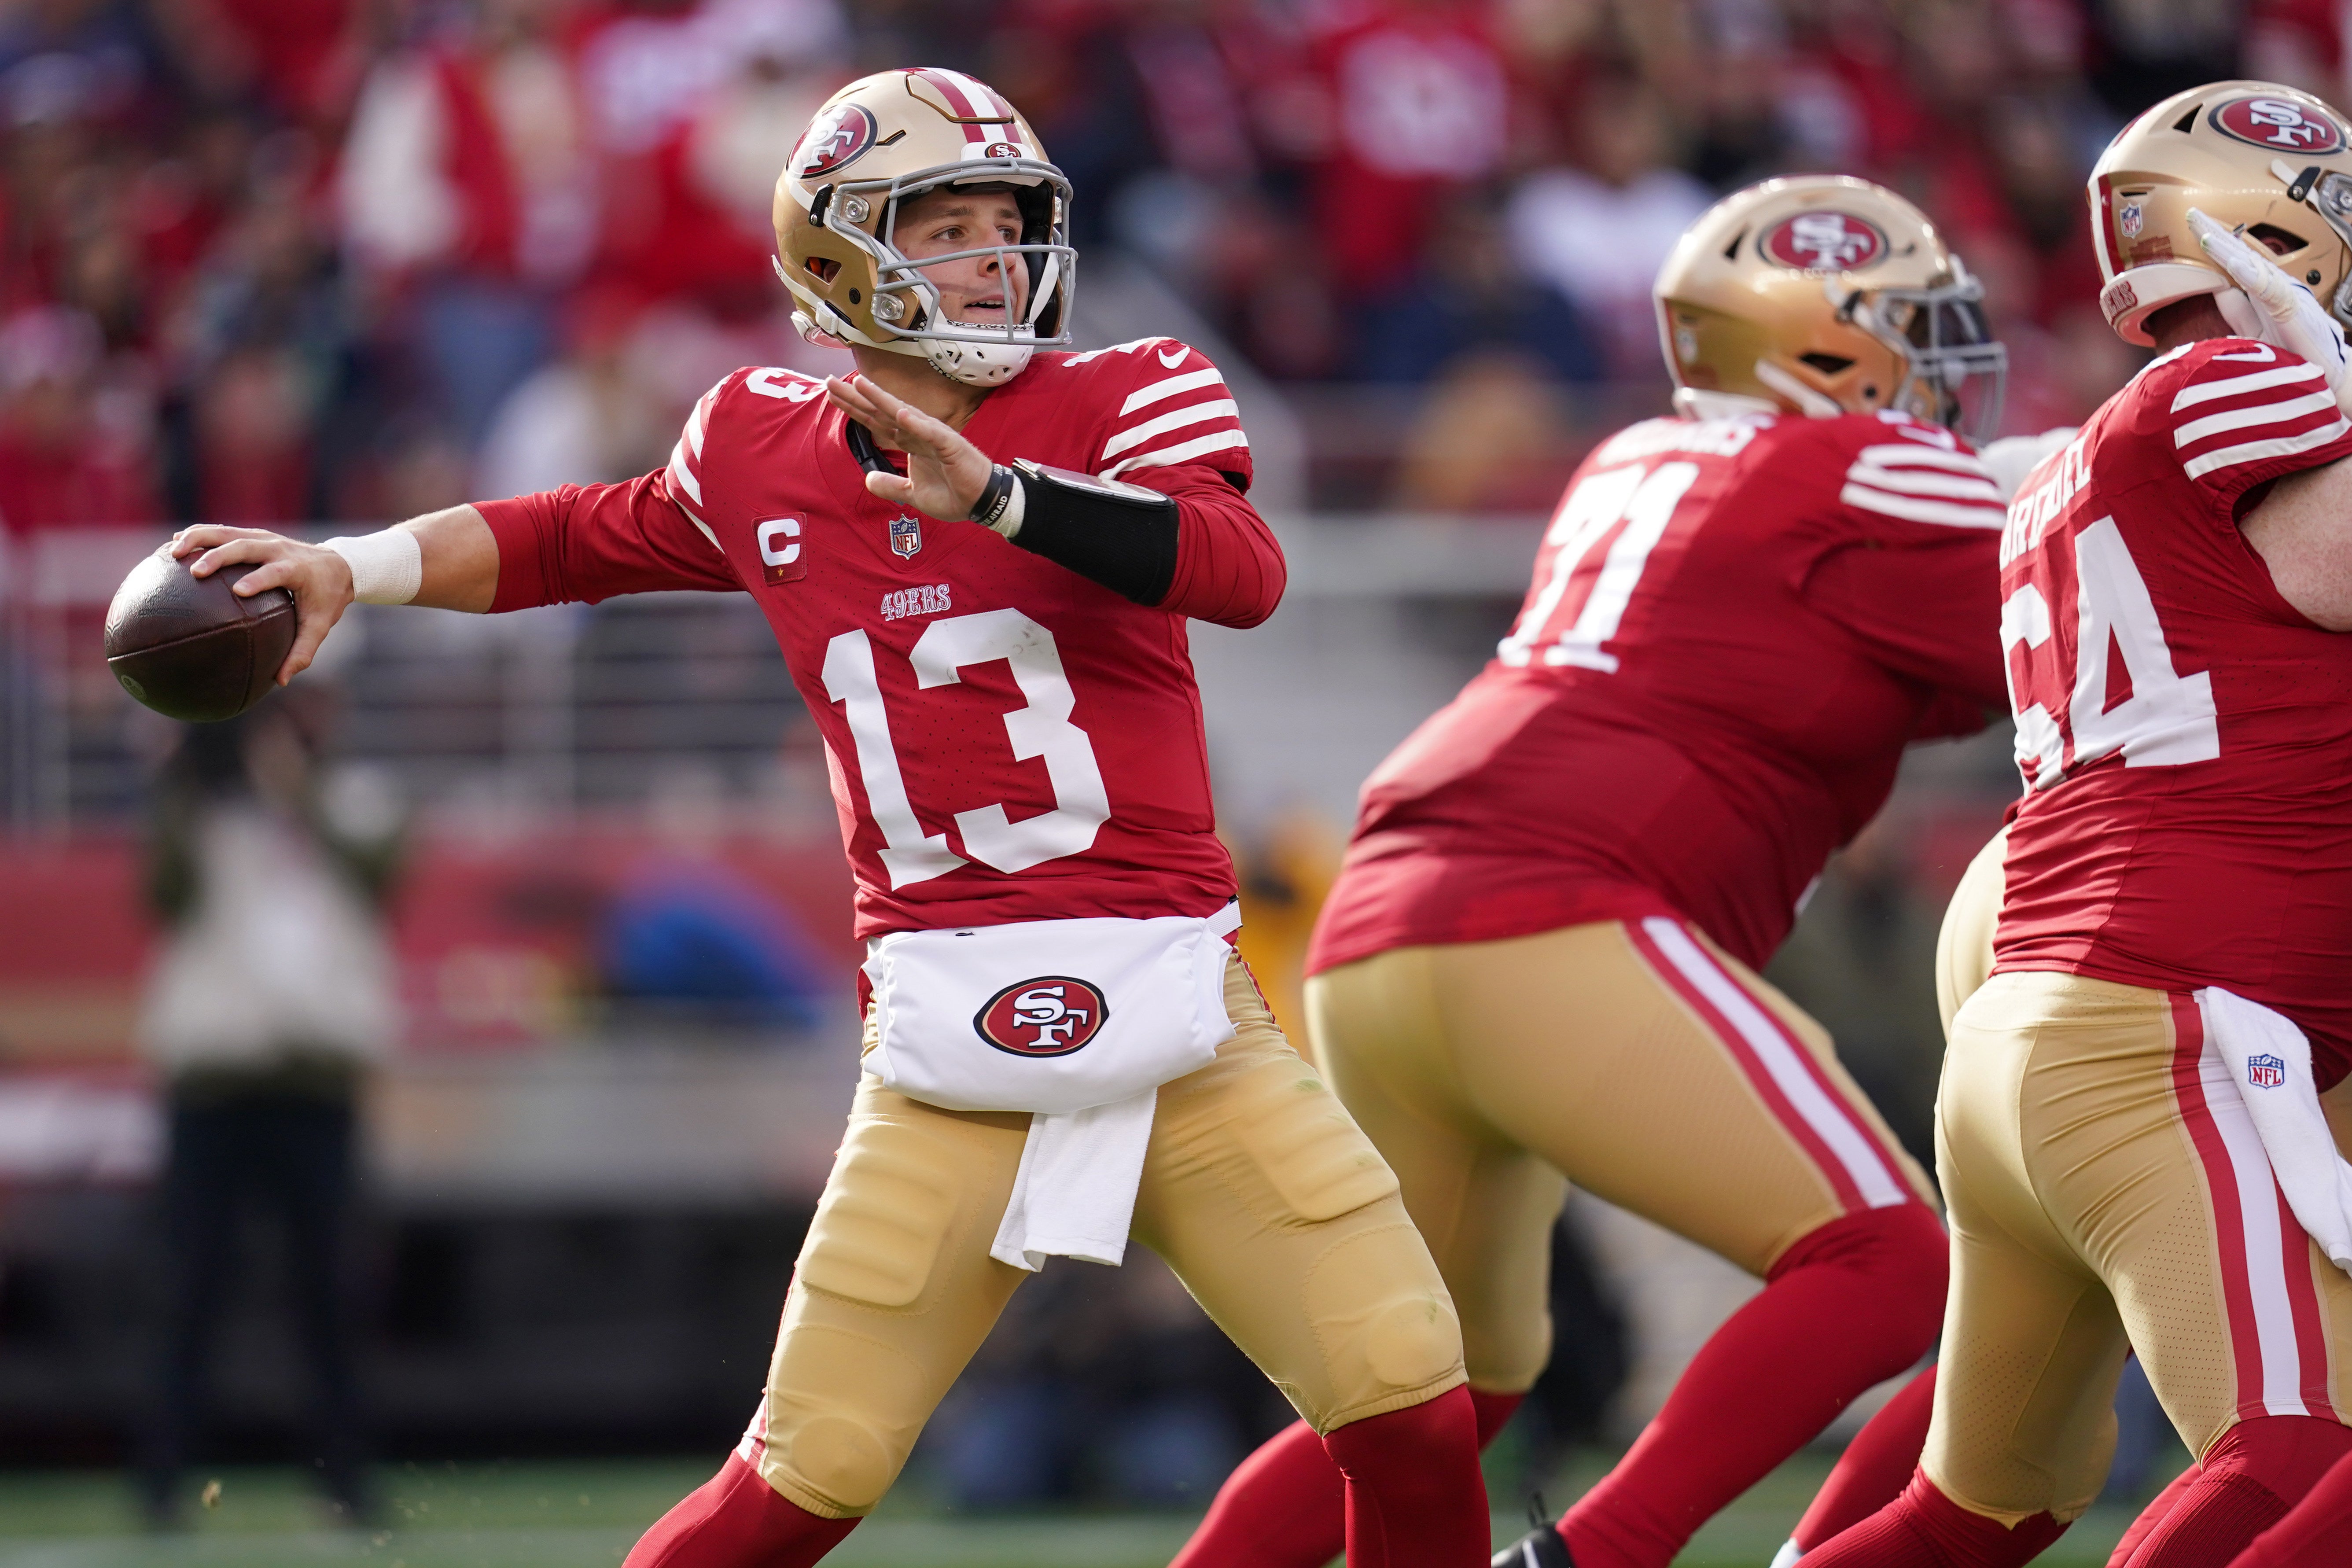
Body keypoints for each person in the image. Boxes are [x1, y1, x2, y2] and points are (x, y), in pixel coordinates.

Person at [162, 67, 1491, 1568]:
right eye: (950, 228)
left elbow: (1238, 570)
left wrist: (1001, 501)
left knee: (1410, 1403)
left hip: (1185, 1017)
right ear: (843, 256)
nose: (996, 260)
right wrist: (355, 563)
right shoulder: (758, 442)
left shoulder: (1131, 389)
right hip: (944, 1051)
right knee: (801, 1484)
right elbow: (569, 540)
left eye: (1010, 224)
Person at [1173, 174, 2015, 1568]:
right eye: (1911, 334)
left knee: (1429, 1398)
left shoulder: (1633, 459)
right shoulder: (1873, 474)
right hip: (1557, 911)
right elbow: (2078, 642)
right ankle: (1596, 1555)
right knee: (1890, 1262)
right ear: (1822, 349)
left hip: (1387, 919)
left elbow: (1892, 677)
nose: (1940, 375)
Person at [1804, 78, 2352, 1568]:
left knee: (1978, 1508)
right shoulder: (2227, 390)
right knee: (2300, 1456)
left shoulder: (2079, 456)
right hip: (2170, 1029)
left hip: (2052, 1026)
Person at [136, 689, 401, 1528]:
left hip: (316, 1086)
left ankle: (346, 1481)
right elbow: (162, 895)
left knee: (330, 1293)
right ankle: (164, 1483)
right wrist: (181, 780)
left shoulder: (357, 801)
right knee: (191, 1290)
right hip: (213, 1085)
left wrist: (294, 790)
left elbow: (378, 874)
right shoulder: (202, 811)